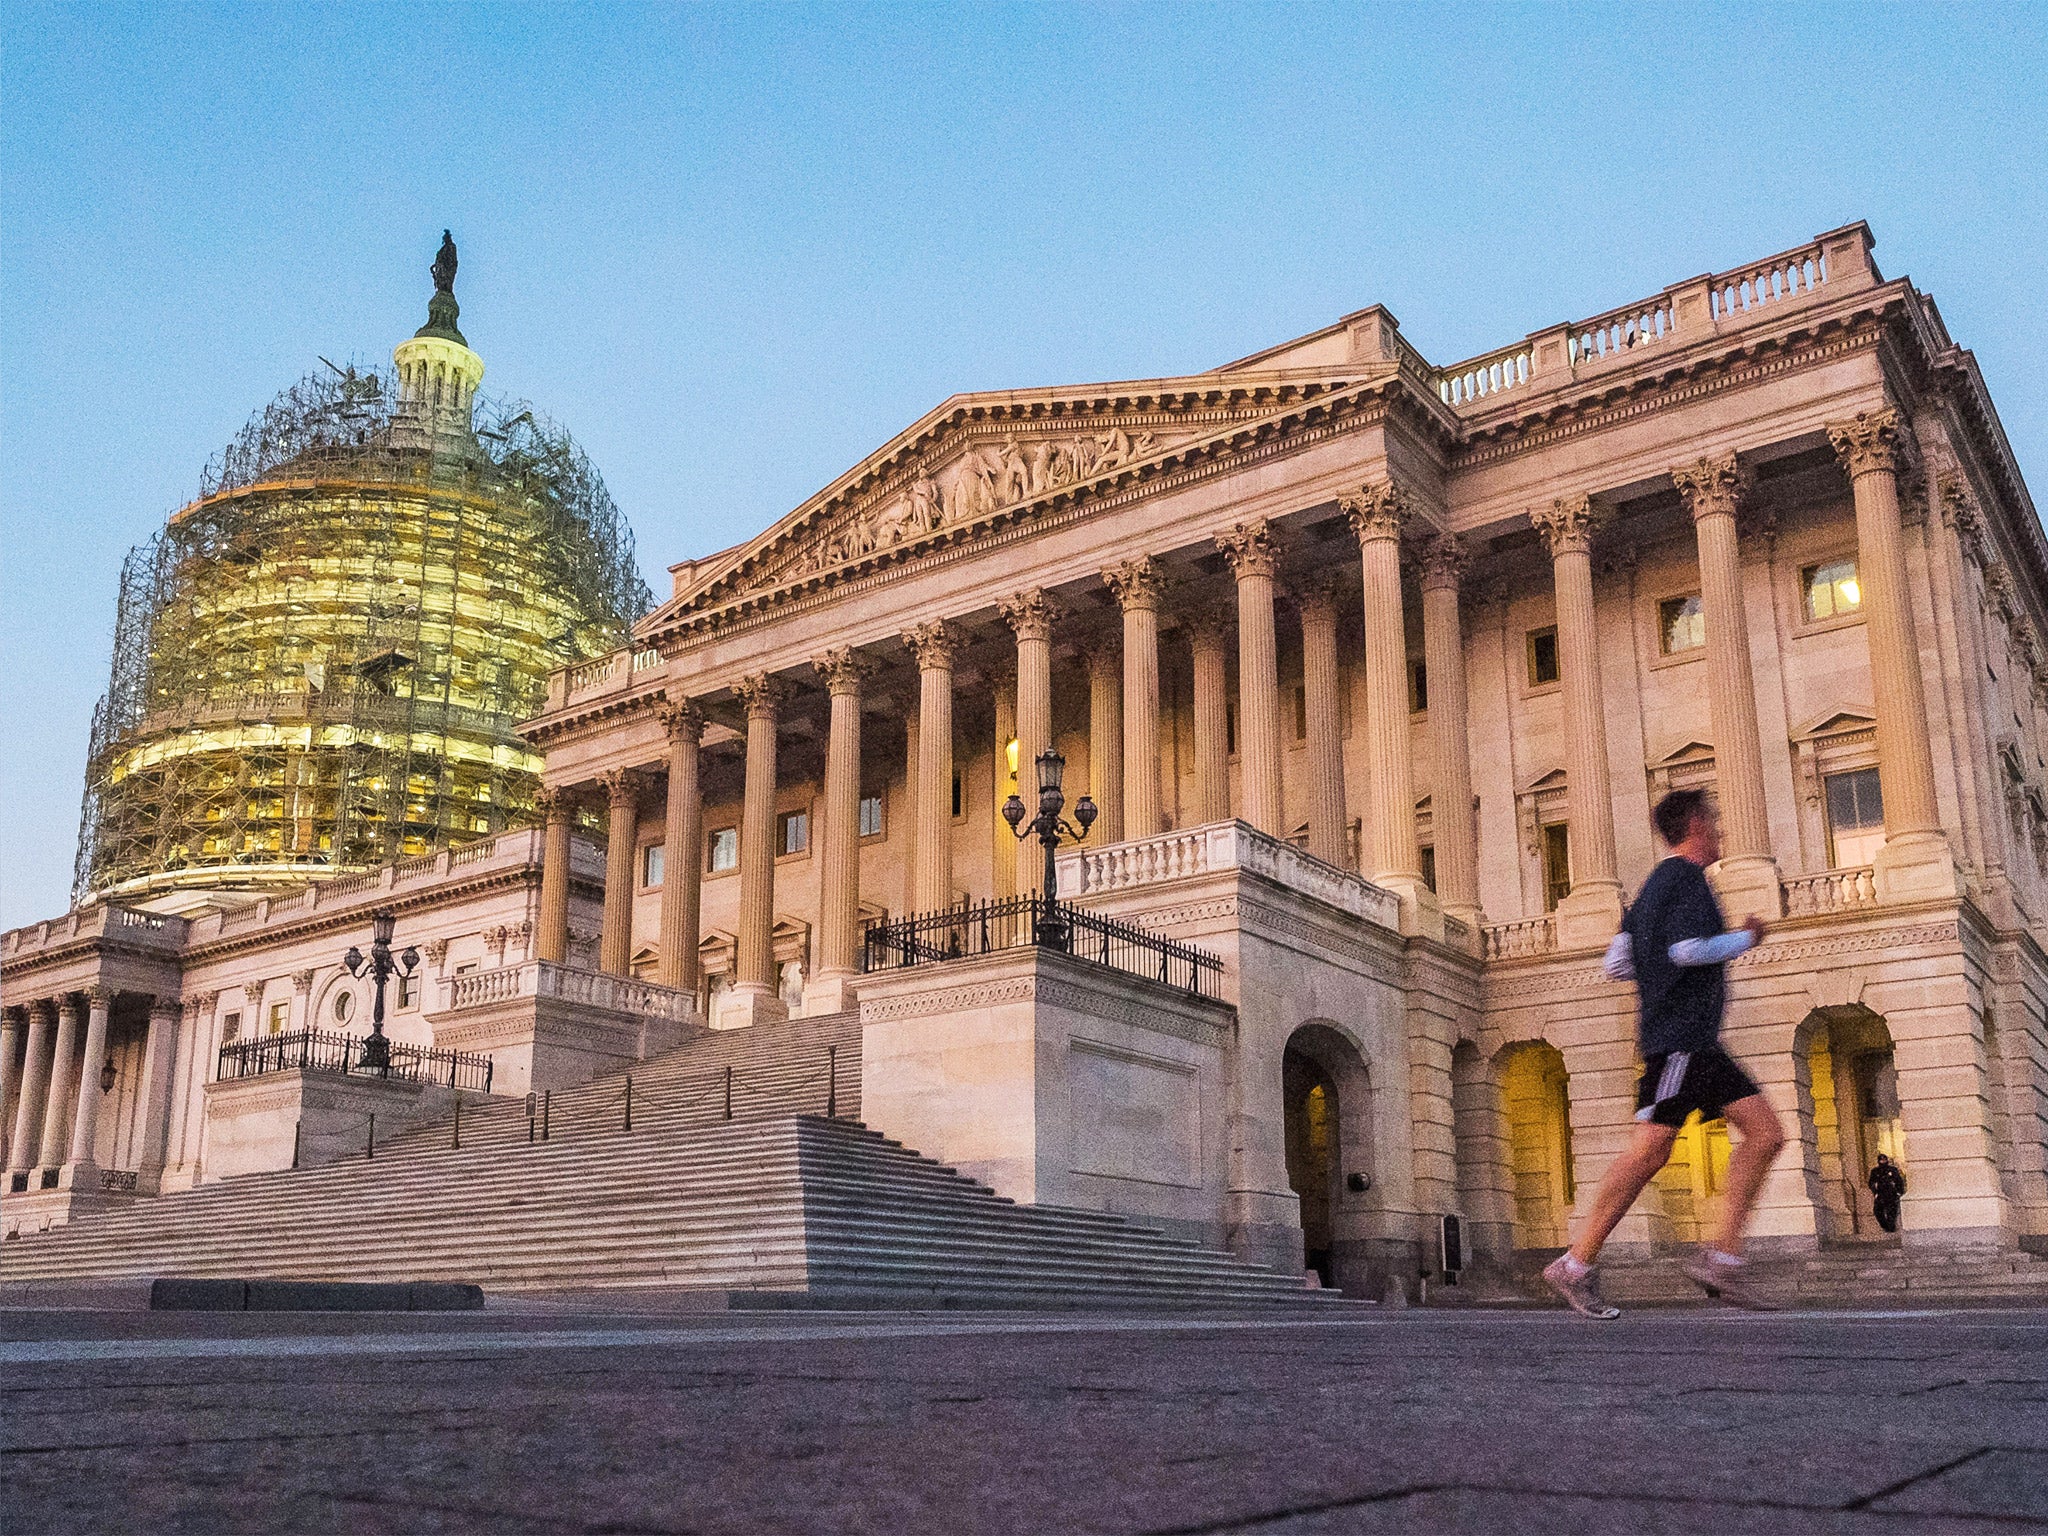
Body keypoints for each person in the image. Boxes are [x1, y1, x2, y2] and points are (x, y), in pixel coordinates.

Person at [1543, 788, 1787, 1317]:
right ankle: (1575, 1264)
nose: (1720, 831)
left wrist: (1656, 973)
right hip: (1678, 1043)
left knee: (1766, 1133)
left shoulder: (1647, 893)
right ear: (1696, 824)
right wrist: (1744, 939)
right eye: (1715, 821)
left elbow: (1616, 964)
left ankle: (1722, 1259)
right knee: (1650, 1151)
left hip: (1695, 1042)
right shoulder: (1687, 881)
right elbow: (1685, 951)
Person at [1869, 1152, 1906, 1234]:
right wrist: (1875, 1192)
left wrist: (1899, 1192)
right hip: (1880, 1194)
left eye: (1884, 1160)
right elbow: (1871, 1183)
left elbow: (1899, 1181)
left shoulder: (1892, 1170)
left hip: (1891, 1194)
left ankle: (1891, 1227)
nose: (1883, 1162)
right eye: (1881, 1160)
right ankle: (1885, 1226)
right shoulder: (1875, 1171)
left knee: (1891, 1212)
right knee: (1878, 1211)